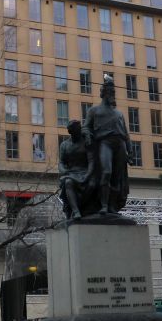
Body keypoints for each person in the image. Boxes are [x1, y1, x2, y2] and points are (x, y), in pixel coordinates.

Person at [83, 76, 130, 215]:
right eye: (110, 92)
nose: (112, 95)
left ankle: (112, 206)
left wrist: (131, 151)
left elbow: (126, 135)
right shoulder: (94, 111)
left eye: (113, 93)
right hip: (105, 143)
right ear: (103, 93)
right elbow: (86, 127)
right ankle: (103, 205)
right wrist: (87, 135)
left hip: (120, 144)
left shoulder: (119, 114)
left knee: (117, 178)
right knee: (106, 172)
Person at [58, 120, 94, 220]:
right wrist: (63, 170)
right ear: (70, 132)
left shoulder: (86, 142)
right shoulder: (64, 145)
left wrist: (89, 174)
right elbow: (61, 162)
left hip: (86, 171)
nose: (78, 132)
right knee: (68, 182)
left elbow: (91, 161)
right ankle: (76, 211)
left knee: (92, 184)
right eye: (75, 130)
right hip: (71, 173)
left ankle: (85, 209)